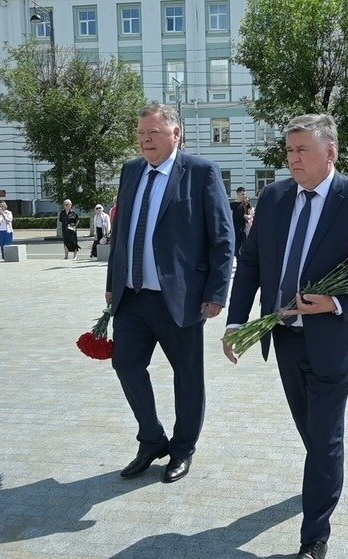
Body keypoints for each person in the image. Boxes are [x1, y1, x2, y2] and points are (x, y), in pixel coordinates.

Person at [223, 114, 348, 559]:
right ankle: (325, 473)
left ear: (330, 152)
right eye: (289, 151)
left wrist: (336, 303)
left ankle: (314, 537)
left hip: (335, 340)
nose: (293, 159)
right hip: (284, 336)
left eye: (302, 150)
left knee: (323, 438)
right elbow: (251, 263)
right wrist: (235, 322)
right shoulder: (276, 195)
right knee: (312, 432)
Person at [105, 103, 234, 484]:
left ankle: (182, 449)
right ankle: (152, 439)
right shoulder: (131, 171)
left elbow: (222, 238)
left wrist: (216, 291)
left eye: (154, 133)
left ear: (175, 133)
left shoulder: (200, 172)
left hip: (180, 298)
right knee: (125, 365)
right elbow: (122, 233)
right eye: (141, 133)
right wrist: (112, 284)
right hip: (133, 294)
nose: (145, 140)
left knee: (187, 377)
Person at [230, 187, 253, 257]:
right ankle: (238, 260)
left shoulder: (247, 203)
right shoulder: (232, 205)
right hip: (235, 228)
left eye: (245, 194)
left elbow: (251, 214)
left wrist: (248, 217)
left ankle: (244, 260)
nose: (245, 196)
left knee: (245, 245)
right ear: (238, 194)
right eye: (243, 194)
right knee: (237, 245)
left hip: (244, 227)